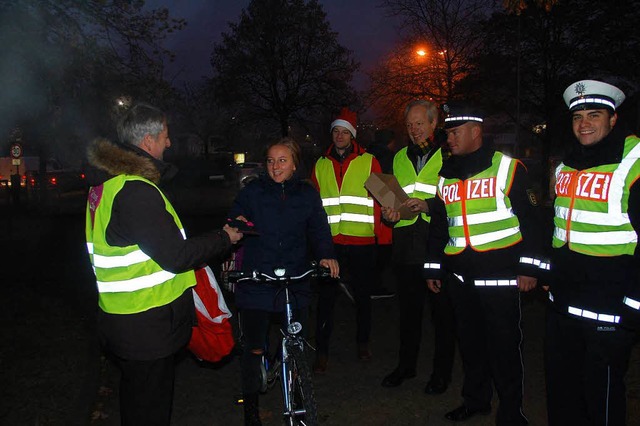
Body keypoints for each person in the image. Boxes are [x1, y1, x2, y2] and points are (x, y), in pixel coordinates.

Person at [84, 103, 243, 426]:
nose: (169, 143)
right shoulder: (135, 191)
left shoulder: (111, 185)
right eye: (166, 136)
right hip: (145, 329)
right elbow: (176, 256)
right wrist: (224, 238)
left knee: (138, 404)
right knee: (149, 412)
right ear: (148, 142)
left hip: (127, 322)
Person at [424, 102, 547, 424]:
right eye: (447, 133)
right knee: (471, 346)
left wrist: (530, 268)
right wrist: (434, 266)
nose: (448, 139)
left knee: (505, 348)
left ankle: (511, 411)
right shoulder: (445, 175)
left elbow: (533, 223)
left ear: (476, 131)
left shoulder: (508, 168)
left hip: (501, 277)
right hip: (460, 279)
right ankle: (476, 400)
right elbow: (440, 226)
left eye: (454, 132)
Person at [545, 80, 640, 425]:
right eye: (578, 116)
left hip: (608, 307)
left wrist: (634, 304)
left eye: (594, 115)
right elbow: (557, 227)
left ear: (613, 119)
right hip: (562, 303)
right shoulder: (566, 163)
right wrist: (549, 275)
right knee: (562, 391)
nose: (584, 123)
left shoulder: (634, 160)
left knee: (601, 397)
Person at [228, 137, 339, 426]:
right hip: (257, 277)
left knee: (296, 343)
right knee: (254, 348)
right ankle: (251, 410)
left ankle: (300, 397)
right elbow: (235, 218)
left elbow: (318, 227)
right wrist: (236, 222)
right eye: (271, 161)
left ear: (294, 165)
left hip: (294, 276)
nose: (276, 166)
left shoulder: (307, 193)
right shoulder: (253, 192)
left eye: (282, 160)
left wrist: (327, 255)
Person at [380, 99, 456, 395]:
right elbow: (395, 197)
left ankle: (441, 373)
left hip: (437, 244)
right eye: (409, 124)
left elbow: (458, 199)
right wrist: (391, 213)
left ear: (434, 123)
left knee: (442, 316)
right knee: (408, 315)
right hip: (405, 246)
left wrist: (428, 205)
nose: (413, 130)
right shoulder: (399, 157)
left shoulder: (448, 153)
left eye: (419, 123)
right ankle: (406, 366)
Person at [310, 107, 391, 372]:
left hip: (362, 242)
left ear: (352, 135)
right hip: (330, 244)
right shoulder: (321, 164)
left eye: (345, 132)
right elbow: (313, 205)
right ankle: (322, 351)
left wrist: (384, 239)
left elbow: (385, 202)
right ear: (332, 134)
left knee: (363, 297)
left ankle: (363, 342)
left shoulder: (369, 161)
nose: (340, 136)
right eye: (336, 131)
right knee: (326, 300)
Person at [367, 129, 397, 299]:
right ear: (390, 142)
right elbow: (388, 188)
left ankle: (371, 284)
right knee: (383, 254)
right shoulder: (389, 158)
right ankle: (375, 286)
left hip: (367, 212)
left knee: (374, 253)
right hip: (384, 212)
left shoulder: (366, 156)